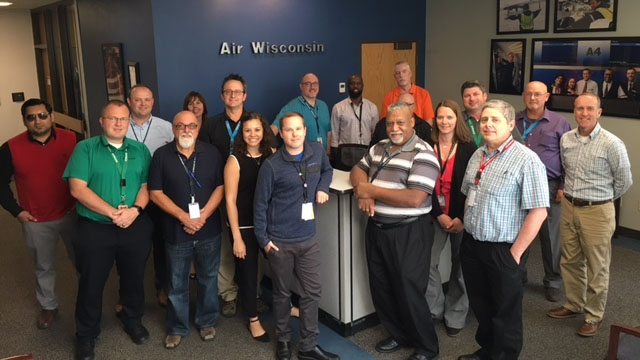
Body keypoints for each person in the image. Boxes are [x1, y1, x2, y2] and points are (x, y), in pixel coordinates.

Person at [458, 100, 549, 360]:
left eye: (495, 120)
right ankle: (488, 351)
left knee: (504, 313)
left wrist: (515, 254)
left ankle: (504, 355)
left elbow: (539, 212)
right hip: (473, 244)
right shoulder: (479, 154)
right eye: (484, 119)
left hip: (505, 250)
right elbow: (469, 193)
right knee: (482, 306)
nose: (487, 124)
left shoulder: (527, 160)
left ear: (510, 125)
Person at [64, 100, 153, 360]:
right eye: (112, 119)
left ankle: (132, 319)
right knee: (92, 282)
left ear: (129, 122)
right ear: (101, 122)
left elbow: (145, 186)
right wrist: (113, 213)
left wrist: (135, 210)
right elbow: (77, 189)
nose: (118, 123)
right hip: (95, 227)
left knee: (134, 278)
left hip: (133, 224)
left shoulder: (140, 150)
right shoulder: (85, 149)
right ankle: (86, 334)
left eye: (123, 119)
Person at [351, 102, 440, 360]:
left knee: (409, 290)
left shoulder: (423, 152)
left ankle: (426, 347)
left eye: (400, 122)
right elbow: (358, 169)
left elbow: (415, 198)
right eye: (390, 123)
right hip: (377, 228)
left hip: (409, 232)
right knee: (382, 287)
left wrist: (371, 192)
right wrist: (363, 191)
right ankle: (398, 334)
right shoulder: (379, 147)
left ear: (412, 122)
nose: (395, 127)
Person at [547, 94, 632, 337]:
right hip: (570, 207)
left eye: (590, 109)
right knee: (570, 260)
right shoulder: (566, 140)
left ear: (599, 112)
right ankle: (574, 304)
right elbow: (567, 171)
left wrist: (600, 198)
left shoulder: (611, 143)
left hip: (598, 210)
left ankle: (593, 315)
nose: (584, 113)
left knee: (597, 266)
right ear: (574, 111)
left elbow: (624, 182)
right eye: (580, 108)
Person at [254, 113, 338, 360]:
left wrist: (322, 188)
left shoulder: (316, 152)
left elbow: (328, 170)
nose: (294, 134)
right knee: (281, 294)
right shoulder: (272, 165)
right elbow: (259, 205)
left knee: (312, 292)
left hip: (308, 239)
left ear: (304, 130)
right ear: (281, 133)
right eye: (288, 130)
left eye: (298, 129)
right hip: (279, 241)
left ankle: (308, 346)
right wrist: (264, 241)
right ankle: (283, 341)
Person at [148, 111, 224, 349]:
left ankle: (206, 321)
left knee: (208, 278)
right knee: (176, 281)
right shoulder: (161, 155)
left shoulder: (212, 153)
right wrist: (183, 216)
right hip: (175, 230)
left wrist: (203, 216)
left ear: (198, 128)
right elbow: (155, 193)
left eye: (191, 125)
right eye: (180, 125)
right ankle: (177, 327)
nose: (186, 130)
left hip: (208, 228)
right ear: (173, 129)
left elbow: (221, 188)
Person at [0, 98, 76, 330]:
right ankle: (48, 305)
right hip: (35, 219)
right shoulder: (10, 148)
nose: (38, 121)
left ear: (51, 116)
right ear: (24, 121)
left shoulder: (72, 139)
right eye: (31, 117)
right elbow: (0, 185)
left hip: (72, 213)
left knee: (84, 260)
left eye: (42, 115)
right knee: (44, 266)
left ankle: (90, 300)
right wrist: (17, 211)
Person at [516, 81, 572, 302]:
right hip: (519, 184)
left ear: (546, 96)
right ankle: (519, 276)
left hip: (549, 185)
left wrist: (564, 185)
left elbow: (568, 157)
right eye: (529, 94)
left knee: (550, 237)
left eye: (537, 94)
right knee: (520, 232)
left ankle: (553, 281)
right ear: (523, 96)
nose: (532, 98)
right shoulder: (514, 121)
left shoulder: (559, 122)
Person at [198, 74, 249, 317]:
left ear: (244, 96)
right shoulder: (210, 125)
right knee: (225, 246)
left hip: (249, 193)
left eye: (237, 92)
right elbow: (202, 159)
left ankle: (254, 292)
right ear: (222, 96)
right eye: (228, 91)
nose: (233, 95)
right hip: (219, 192)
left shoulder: (254, 121)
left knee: (250, 243)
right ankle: (228, 293)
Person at [426, 99, 476, 338]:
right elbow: (422, 184)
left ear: (458, 120)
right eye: (440, 117)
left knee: (461, 266)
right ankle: (434, 308)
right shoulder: (427, 146)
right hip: (434, 214)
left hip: (461, 217)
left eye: (449, 117)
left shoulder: (469, 148)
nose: (444, 122)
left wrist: (460, 217)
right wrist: (439, 215)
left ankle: (455, 313)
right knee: (427, 263)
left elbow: (473, 187)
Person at [224, 112, 275, 342]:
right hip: (244, 225)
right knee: (248, 273)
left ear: (263, 131)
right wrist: (236, 237)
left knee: (280, 268)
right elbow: (230, 201)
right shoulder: (234, 160)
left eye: (257, 129)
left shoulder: (271, 155)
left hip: (269, 224)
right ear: (241, 134)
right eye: (247, 130)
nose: (252, 134)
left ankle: (285, 307)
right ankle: (252, 319)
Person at [125, 84, 174, 308]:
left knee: (162, 244)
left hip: (161, 195)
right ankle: (125, 294)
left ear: (153, 102)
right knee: (130, 247)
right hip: (131, 197)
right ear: (129, 102)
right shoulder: (120, 127)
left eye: (147, 100)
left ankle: (162, 286)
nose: (143, 104)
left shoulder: (166, 128)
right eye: (138, 100)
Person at [272, 73, 331, 151]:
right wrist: (271, 148)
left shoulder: (323, 105)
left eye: (315, 84)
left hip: (322, 156)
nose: (312, 87)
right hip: (301, 159)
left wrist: (328, 153)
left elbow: (329, 131)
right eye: (308, 84)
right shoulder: (291, 107)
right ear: (301, 86)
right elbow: (273, 129)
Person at [330, 74, 379, 167]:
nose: (355, 86)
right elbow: (334, 134)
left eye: (358, 83)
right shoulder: (338, 107)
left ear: (362, 85)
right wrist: (335, 157)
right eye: (352, 83)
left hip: (366, 152)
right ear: (348, 86)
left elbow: (375, 133)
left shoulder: (372, 108)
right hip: (345, 154)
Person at [460, 80, 523, 147]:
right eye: (467, 96)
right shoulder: (457, 119)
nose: (472, 99)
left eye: (476, 94)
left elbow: (518, 144)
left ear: (485, 96)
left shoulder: (500, 117)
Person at [381, 61, 434, 125]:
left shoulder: (424, 94)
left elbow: (428, 121)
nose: (401, 75)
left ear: (410, 74)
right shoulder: (389, 96)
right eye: (398, 73)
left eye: (404, 72)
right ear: (395, 77)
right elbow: (385, 121)